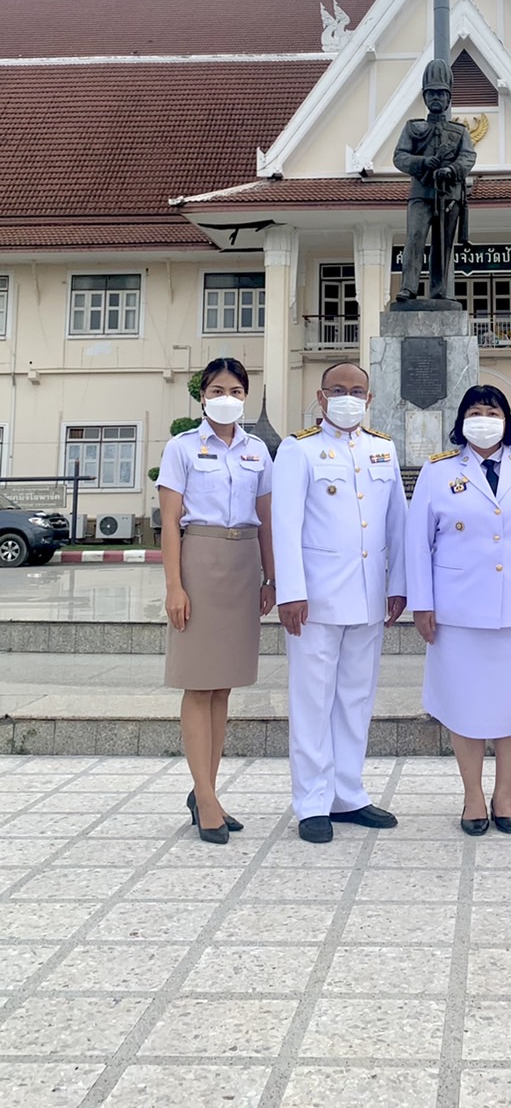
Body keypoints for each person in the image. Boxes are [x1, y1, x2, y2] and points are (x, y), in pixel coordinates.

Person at [407, 385, 511, 834]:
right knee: (465, 705)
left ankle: (505, 796)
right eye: (475, 412)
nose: (484, 419)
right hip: (459, 611)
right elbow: (417, 543)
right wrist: (422, 602)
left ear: (507, 420)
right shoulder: (438, 471)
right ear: (461, 420)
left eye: (492, 411)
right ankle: (473, 796)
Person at [272, 361, 407, 843]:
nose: (348, 397)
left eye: (357, 391)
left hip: (369, 596)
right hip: (315, 599)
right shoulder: (298, 448)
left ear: (369, 399)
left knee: (355, 699)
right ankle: (311, 801)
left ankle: (347, 794)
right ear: (321, 395)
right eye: (338, 389)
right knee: (312, 702)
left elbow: (397, 523)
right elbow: (284, 525)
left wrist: (399, 584)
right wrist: (290, 591)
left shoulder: (383, 449)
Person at [159, 358, 277, 845]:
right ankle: (205, 799)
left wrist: (273, 578)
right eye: (215, 389)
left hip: (243, 561)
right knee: (198, 684)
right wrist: (174, 586)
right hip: (199, 560)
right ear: (202, 396)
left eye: (234, 389)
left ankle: (207, 790)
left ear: (245, 396)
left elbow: (266, 518)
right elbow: (169, 523)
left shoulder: (258, 452)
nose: (225, 396)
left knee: (224, 686)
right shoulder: (182, 447)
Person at [393, 58, 477, 302]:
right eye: (431, 94)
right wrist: (422, 163)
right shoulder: (413, 128)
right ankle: (408, 288)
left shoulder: (459, 132)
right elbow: (399, 157)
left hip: (448, 195)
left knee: (443, 244)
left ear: (449, 98)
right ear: (425, 98)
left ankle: (438, 290)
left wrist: (451, 170)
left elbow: (468, 157)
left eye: (441, 93)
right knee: (415, 239)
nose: (436, 98)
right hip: (421, 193)